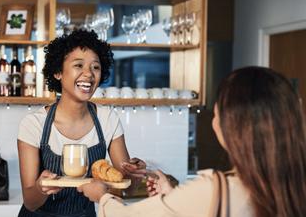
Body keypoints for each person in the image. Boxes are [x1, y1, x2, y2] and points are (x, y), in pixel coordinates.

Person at [78, 66, 306, 217]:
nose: (214, 120)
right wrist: (173, 196)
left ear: (233, 126)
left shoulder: (217, 188)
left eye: (218, 113)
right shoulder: (294, 188)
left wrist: (102, 196)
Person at [17, 29, 146, 217]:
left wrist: (134, 177)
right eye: (78, 65)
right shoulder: (34, 124)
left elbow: (124, 191)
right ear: (58, 72)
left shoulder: (107, 119)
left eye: (95, 67)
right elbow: (30, 201)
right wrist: (40, 188)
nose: (89, 74)